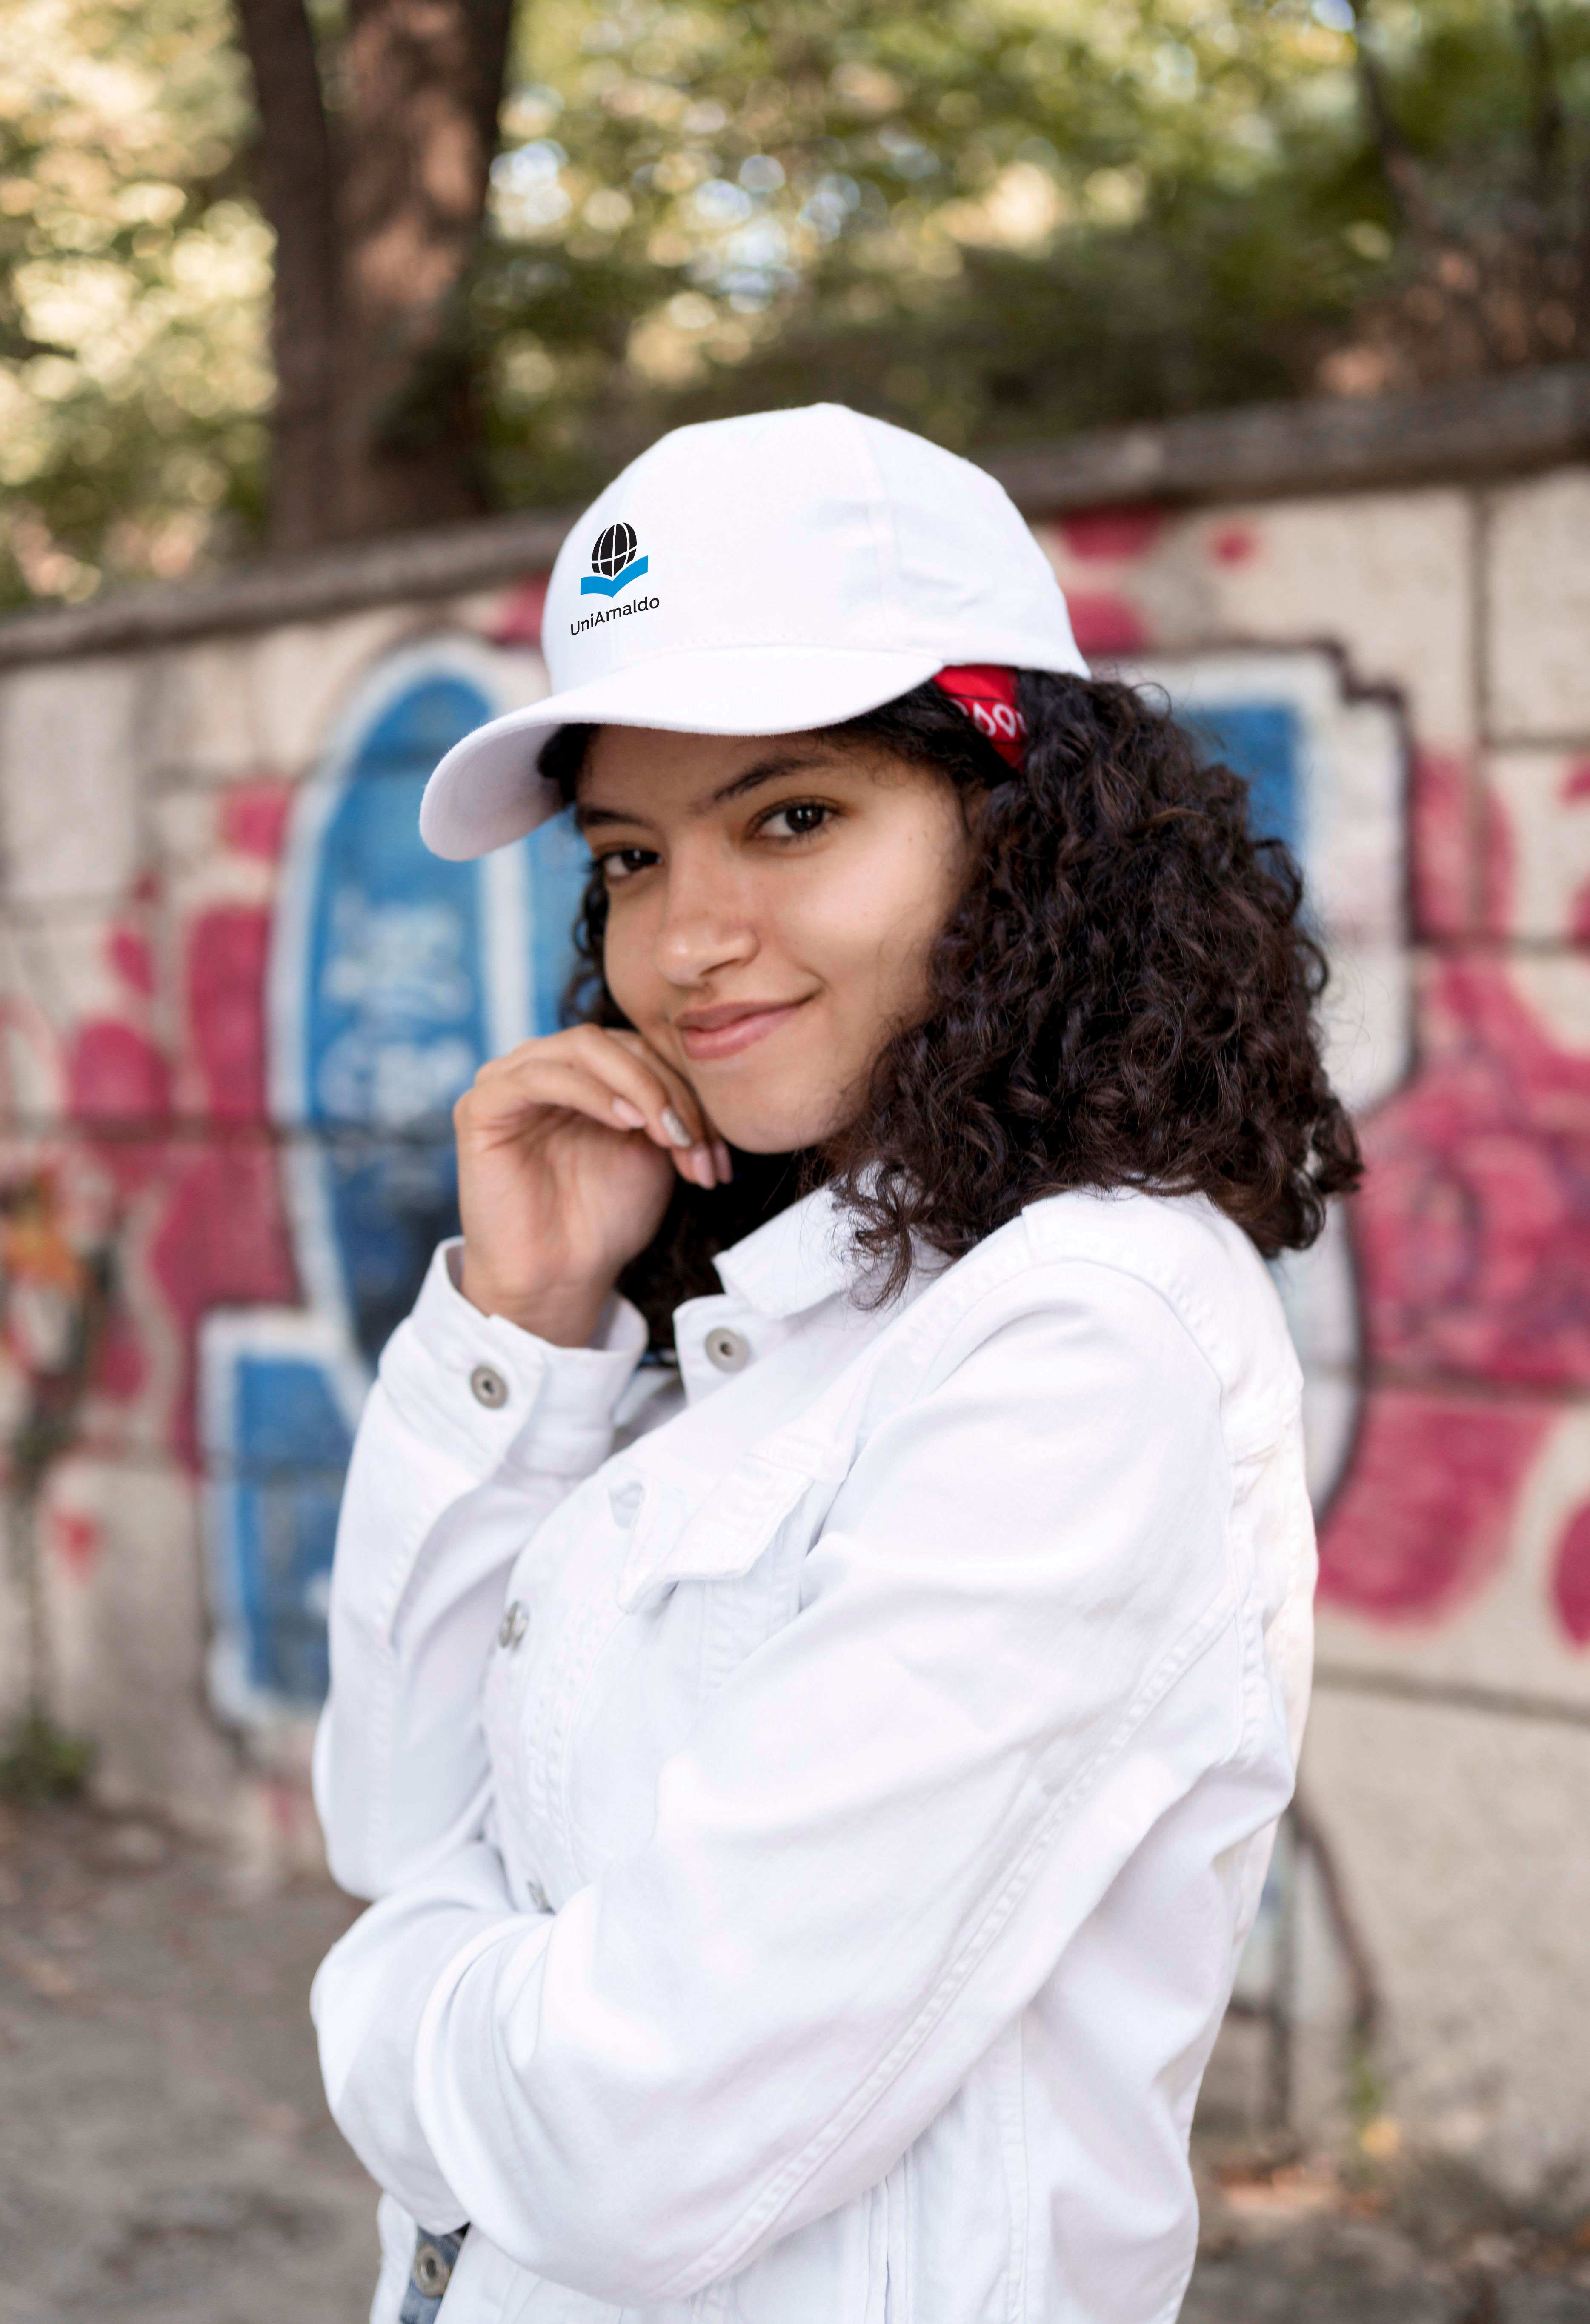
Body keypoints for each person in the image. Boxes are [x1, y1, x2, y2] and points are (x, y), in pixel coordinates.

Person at [310, 403, 1360, 2324]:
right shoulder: (788, 1301)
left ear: (1024, 830)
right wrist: (523, 1320)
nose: (687, 941)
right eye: (633, 855)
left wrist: (381, 1992)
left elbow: (623, 2142)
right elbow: (391, 1813)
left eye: (792, 818)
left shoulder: (1080, 1338)